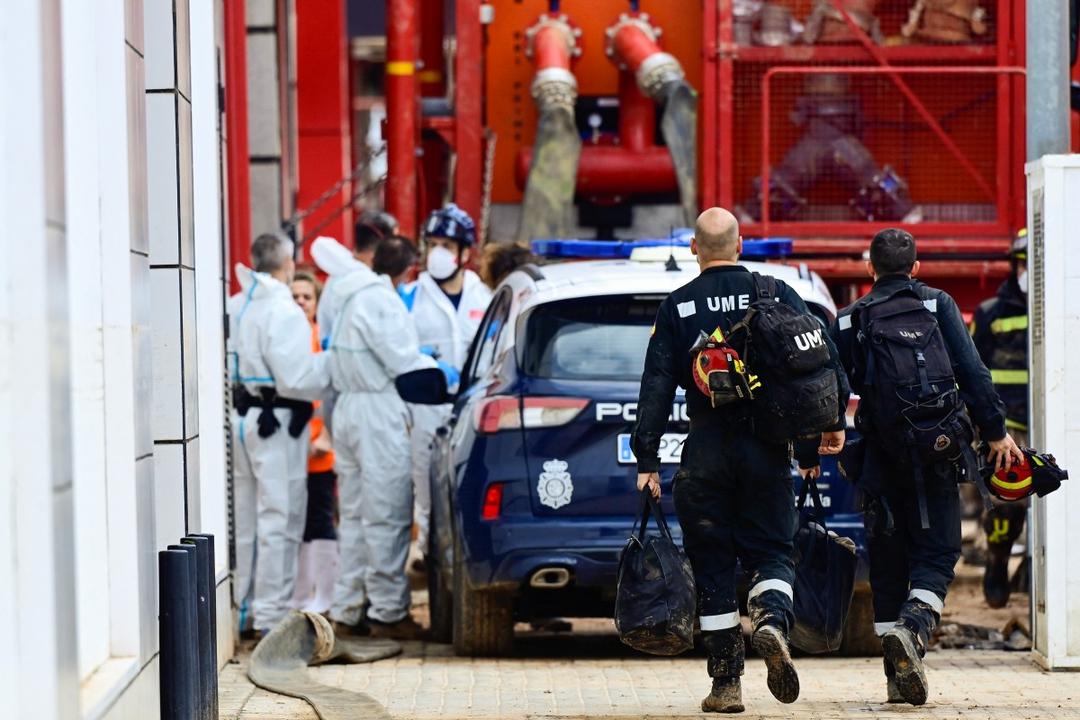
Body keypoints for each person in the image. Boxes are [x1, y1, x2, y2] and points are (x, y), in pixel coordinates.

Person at [632, 208, 848, 713]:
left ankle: (727, 684)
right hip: (766, 452)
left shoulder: (678, 307)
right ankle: (772, 620)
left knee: (711, 566)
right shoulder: (775, 292)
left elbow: (656, 389)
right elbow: (818, 365)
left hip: (705, 454)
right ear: (740, 244)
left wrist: (647, 459)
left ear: (693, 249)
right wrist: (822, 435)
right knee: (773, 550)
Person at [830, 228, 1023, 706]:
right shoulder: (939, 306)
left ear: (868, 269)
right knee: (937, 554)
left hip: (878, 458)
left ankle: (896, 681)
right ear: (916, 268)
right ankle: (915, 630)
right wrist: (996, 432)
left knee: (889, 563)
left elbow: (831, 387)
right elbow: (973, 373)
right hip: (937, 453)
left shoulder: (848, 320)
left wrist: (826, 435)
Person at [323, 239, 438, 640]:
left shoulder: (348, 297)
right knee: (388, 512)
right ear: (408, 269)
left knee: (353, 516)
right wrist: (439, 367)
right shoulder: (383, 301)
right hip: (378, 410)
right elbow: (403, 359)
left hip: (348, 409)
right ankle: (388, 614)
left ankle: (347, 609)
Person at [228, 232, 329, 635]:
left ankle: (244, 608)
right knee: (280, 517)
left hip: (243, 419)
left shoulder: (236, 304)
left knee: (246, 519)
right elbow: (296, 376)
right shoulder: (283, 310)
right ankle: (272, 618)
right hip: (278, 425)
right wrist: (333, 368)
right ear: (288, 264)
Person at [403, 204, 492, 559]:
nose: (438, 252)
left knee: (470, 491)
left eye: (447, 245)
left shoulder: (484, 297)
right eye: (433, 243)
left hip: (471, 411)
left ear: (464, 253)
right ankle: (429, 557)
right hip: (425, 410)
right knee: (426, 491)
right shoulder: (410, 297)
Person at [970, 229, 1030, 608]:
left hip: (1060, 417)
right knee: (1008, 501)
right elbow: (974, 372)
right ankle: (998, 561)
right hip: (1010, 425)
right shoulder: (991, 314)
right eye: (1023, 263)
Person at [289, 271, 339, 614]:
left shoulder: (324, 340)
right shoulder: (287, 338)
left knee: (320, 519)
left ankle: (325, 599)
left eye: (306, 296)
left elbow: (332, 392)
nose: (301, 302)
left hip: (319, 448)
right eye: (294, 297)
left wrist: (325, 435)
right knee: (295, 522)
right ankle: (301, 598)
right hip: (291, 445)